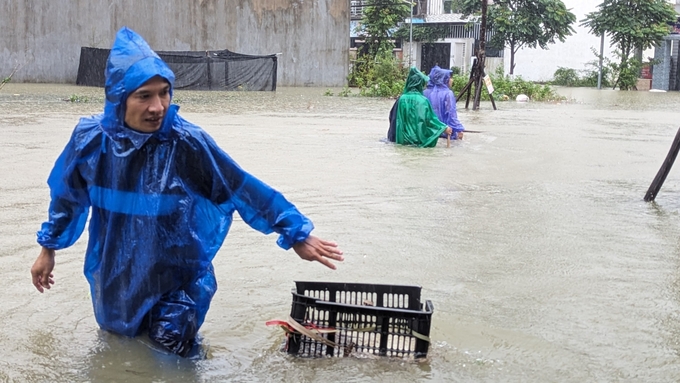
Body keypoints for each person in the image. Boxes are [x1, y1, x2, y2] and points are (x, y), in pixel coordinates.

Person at [30, 27, 343, 358]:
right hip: (114, 279)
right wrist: (47, 249)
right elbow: (67, 198)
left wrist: (295, 232)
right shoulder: (91, 141)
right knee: (119, 351)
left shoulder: (186, 143)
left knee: (173, 358)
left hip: (176, 279)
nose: (158, 106)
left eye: (164, 93)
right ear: (119, 98)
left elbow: (240, 186)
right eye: (144, 96)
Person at [392, 67, 452, 147]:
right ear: (419, 84)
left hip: (402, 141)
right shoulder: (423, 101)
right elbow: (430, 120)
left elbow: (397, 121)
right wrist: (444, 128)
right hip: (418, 142)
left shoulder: (401, 99)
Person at [423, 66, 465, 141]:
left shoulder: (432, 93)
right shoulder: (448, 93)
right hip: (447, 133)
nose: (451, 80)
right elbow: (451, 114)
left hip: (434, 132)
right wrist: (459, 129)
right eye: (449, 78)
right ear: (445, 79)